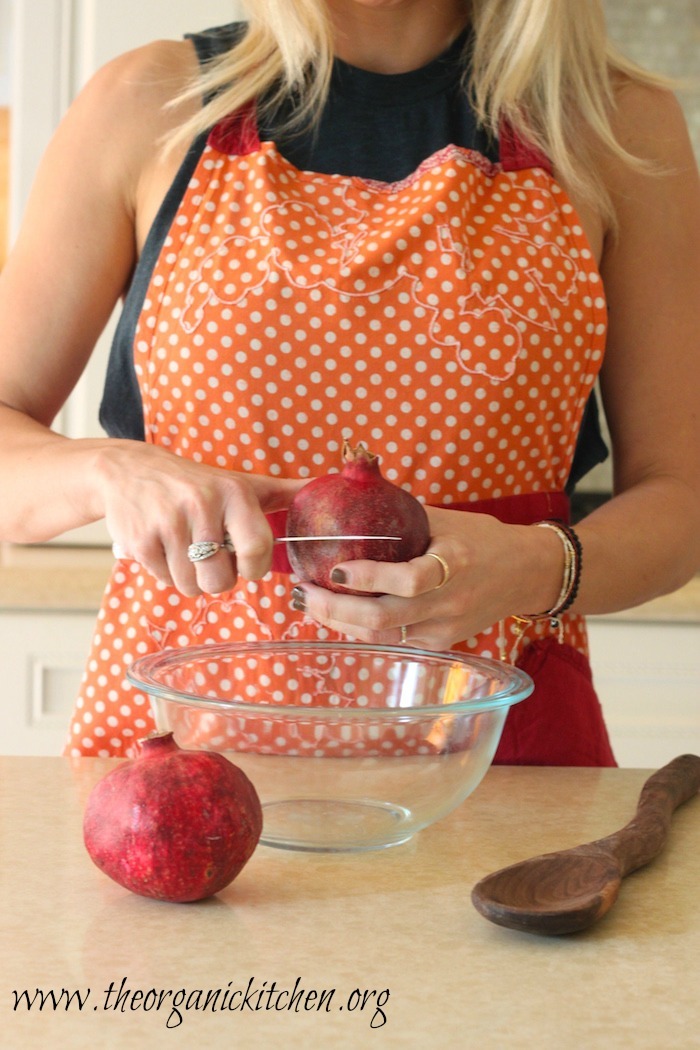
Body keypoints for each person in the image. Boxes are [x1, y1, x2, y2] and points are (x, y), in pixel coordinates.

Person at [0, 1, 698, 765]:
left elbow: (682, 495)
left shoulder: (615, 124)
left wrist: (535, 565)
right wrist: (109, 468)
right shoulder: (146, 102)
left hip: (490, 749)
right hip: (182, 753)